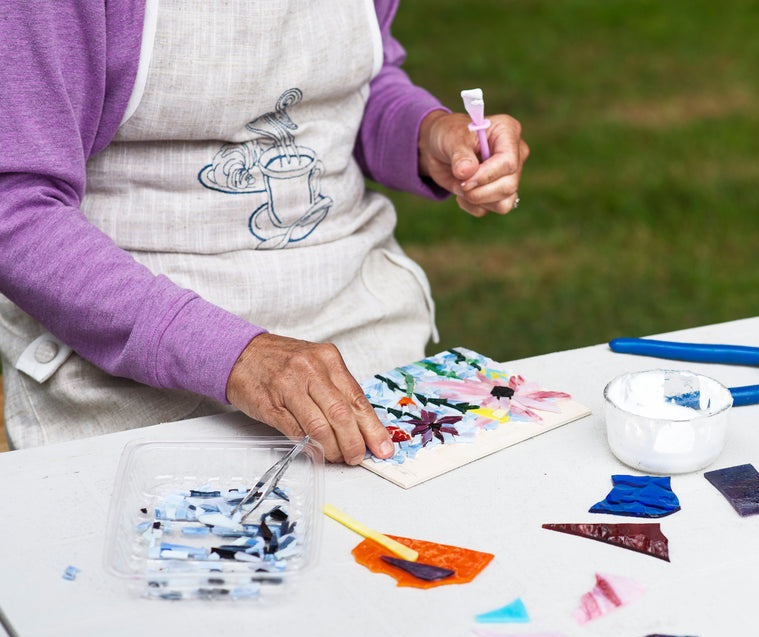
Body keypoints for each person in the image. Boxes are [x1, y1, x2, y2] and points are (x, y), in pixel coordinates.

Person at [0, 0, 528, 463]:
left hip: (361, 332)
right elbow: (16, 210)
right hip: (131, 370)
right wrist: (237, 356)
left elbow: (350, 86)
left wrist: (426, 132)